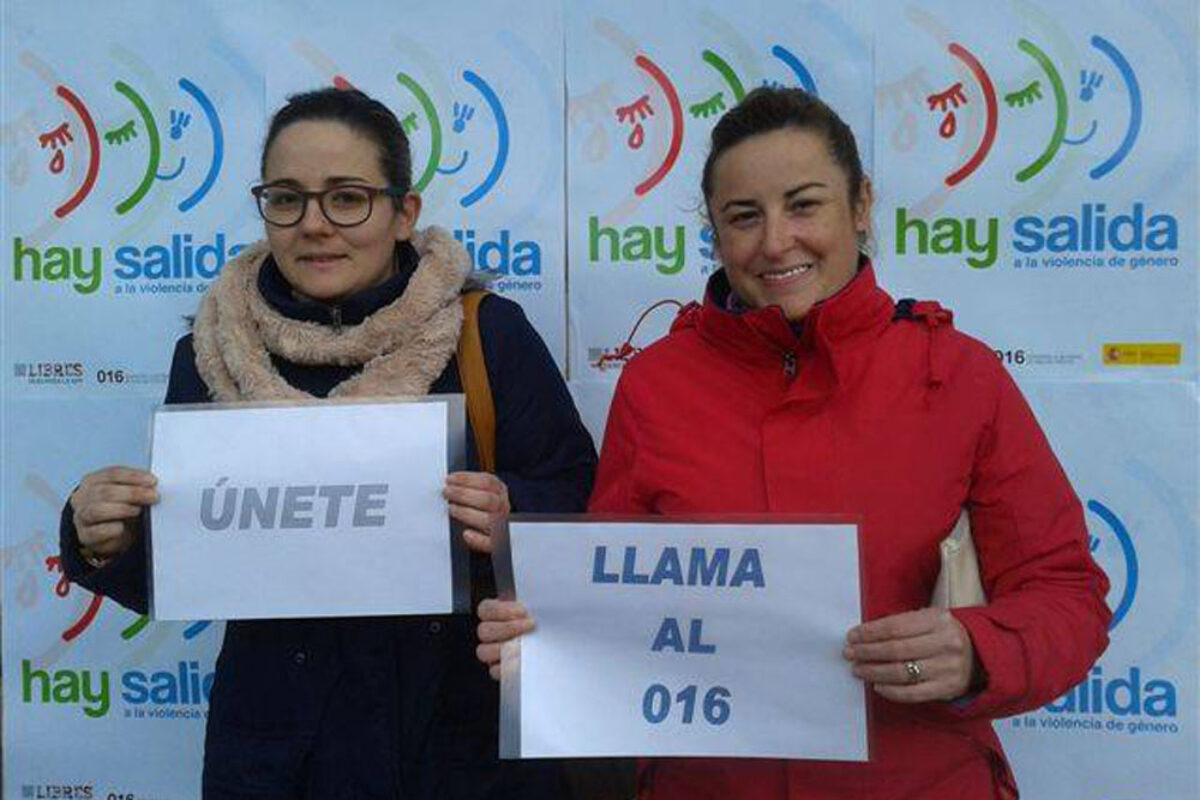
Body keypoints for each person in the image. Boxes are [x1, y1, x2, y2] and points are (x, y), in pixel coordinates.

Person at [477, 87, 1110, 799]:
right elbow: (619, 603)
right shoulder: (656, 383)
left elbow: (1064, 593)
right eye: (743, 217)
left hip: (921, 781)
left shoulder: (959, 374)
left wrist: (978, 652)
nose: (776, 242)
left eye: (804, 204)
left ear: (861, 206)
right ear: (715, 233)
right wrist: (552, 643)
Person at [60, 87, 596, 800]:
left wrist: (511, 507)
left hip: (462, 747)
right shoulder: (210, 352)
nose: (314, 224)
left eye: (347, 198)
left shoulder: (487, 334)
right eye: (287, 198)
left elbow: (580, 500)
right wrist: (104, 536)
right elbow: (189, 564)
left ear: (403, 214)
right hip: (280, 756)